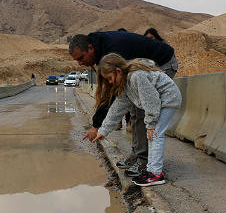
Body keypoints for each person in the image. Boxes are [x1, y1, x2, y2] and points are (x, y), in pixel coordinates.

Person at [68, 30, 178, 176]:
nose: (80, 63)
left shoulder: (113, 52)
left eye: (81, 58)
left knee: (140, 110)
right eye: (77, 61)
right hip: (142, 71)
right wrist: (99, 128)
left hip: (164, 62)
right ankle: (137, 154)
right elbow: (117, 103)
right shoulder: (105, 57)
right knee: (133, 107)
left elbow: (113, 95)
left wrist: (98, 126)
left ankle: (144, 161)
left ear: (90, 48)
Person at [89, 53, 182, 186]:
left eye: (110, 78)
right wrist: (103, 131)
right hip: (161, 101)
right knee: (152, 134)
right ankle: (151, 170)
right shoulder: (125, 85)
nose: (110, 82)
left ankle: (156, 174)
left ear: (118, 71)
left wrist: (150, 124)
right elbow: (116, 110)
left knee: (155, 133)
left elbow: (151, 101)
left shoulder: (137, 77)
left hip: (168, 99)